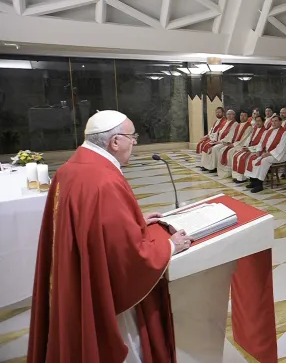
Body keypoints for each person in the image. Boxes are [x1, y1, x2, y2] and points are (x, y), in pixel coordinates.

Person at [28, 110, 191, 363]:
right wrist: (169, 246)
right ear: (115, 142)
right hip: (104, 293)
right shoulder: (104, 179)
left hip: (77, 273)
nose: (135, 142)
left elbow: (92, 223)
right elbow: (127, 255)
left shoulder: (73, 167)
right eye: (132, 136)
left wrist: (134, 220)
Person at [244, 115, 286, 192]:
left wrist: (268, 154)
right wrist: (258, 151)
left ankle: (259, 184)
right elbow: (261, 143)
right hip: (267, 153)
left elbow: (281, 148)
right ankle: (253, 181)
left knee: (264, 161)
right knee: (252, 158)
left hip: (279, 155)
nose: (274, 123)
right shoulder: (268, 131)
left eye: (276, 121)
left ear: (280, 122)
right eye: (272, 121)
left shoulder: (284, 133)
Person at [216, 111, 253, 178]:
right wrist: (229, 142)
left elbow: (244, 139)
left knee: (230, 152)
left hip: (241, 145)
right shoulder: (238, 125)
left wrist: (233, 145)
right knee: (222, 150)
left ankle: (231, 172)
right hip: (235, 144)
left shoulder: (249, 127)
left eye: (244, 116)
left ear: (248, 117)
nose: (242, 117)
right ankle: (224, 171)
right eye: (241, 115)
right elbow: (232, 135)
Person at [232, 115, 266, 182]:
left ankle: (245, 178)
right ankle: (238, 177)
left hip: (257, 151)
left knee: (243, 158)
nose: (258, 123)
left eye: (259, 121)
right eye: (256, 121)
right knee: (236, 155)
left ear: (263, 122)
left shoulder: (265, 131)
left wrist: (250, 149)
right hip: (250, 148)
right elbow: (249, 139)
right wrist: (245, 146)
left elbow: (261, 144)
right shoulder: (255, 129)